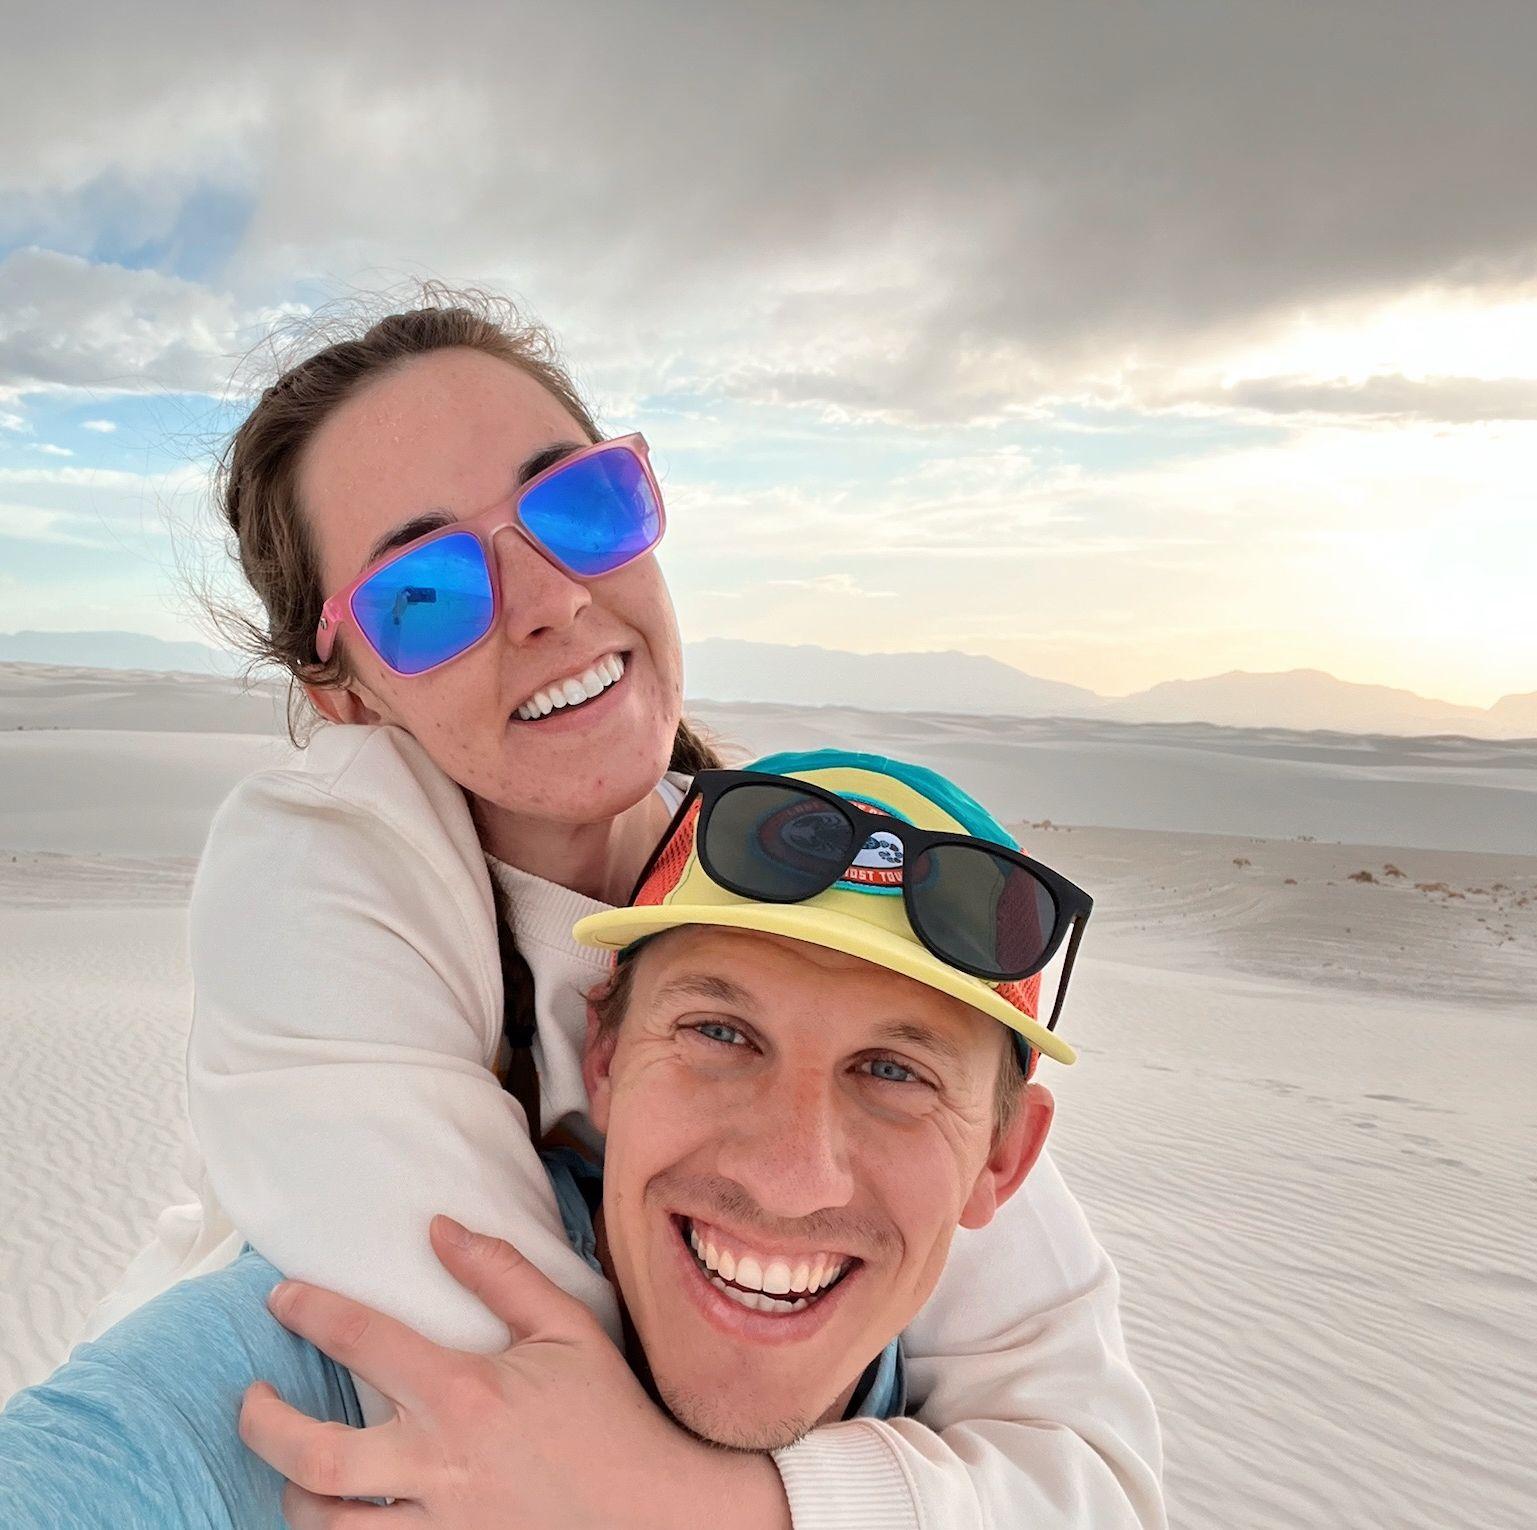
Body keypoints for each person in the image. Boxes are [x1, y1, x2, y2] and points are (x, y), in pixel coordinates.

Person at [66, 291, 1162, 1524]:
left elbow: (1088, 1459)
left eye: (577, 506)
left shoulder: (812, 888)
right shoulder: (321, 863)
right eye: (422, 593)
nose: (547, 599)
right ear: (346, 692)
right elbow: (502, 1370)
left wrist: (694, 1505)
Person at [0, 754, 1111, 1530]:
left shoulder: (980, 1435)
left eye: (894, 1073)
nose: (787, 1174)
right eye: (720, 1033)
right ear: (608, 1059)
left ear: (1003, 1164)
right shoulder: (353, 1355)